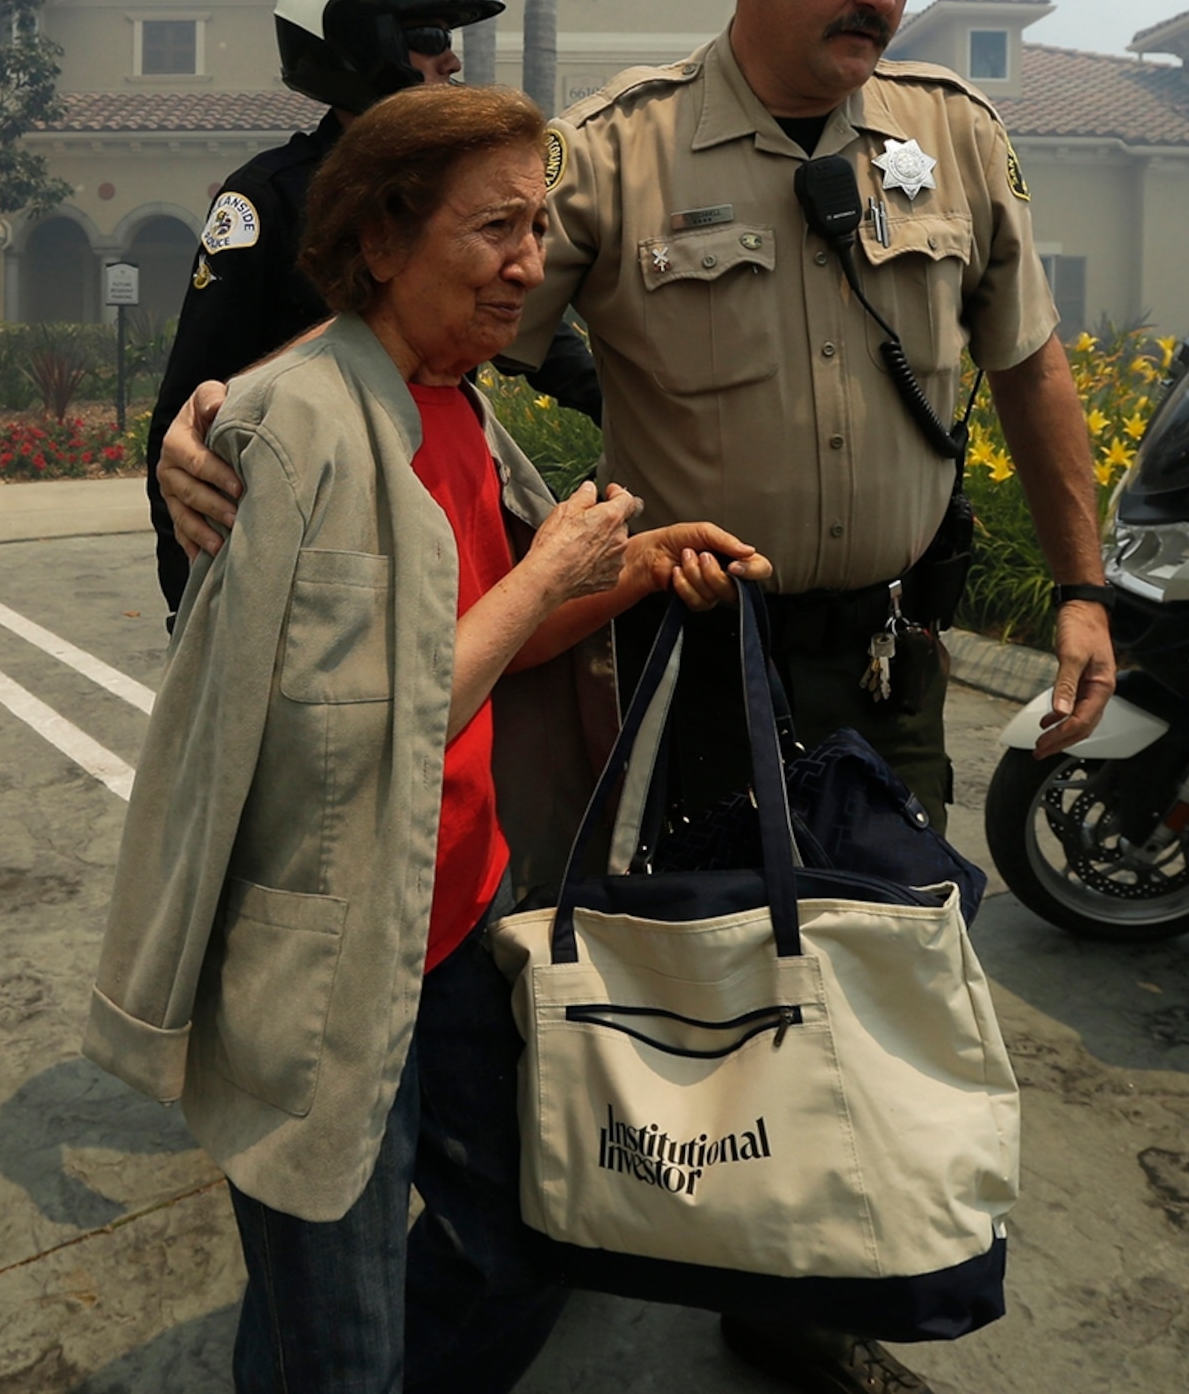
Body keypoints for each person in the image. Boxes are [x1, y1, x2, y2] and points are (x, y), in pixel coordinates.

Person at [160, 0, 1117, 1394]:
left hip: (892, 659)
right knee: (710, 981)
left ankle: (818, 1292)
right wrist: (222, 406)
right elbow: (419, 305)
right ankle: (698, 1234)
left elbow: (1030, 363)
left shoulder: (952, 137)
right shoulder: (617, 154)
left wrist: (1082, 589)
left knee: (885, 975)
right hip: (698, 654)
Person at [87, 84, 766, 1394]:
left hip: (452, 923)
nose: (532, 261)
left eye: (540, 226)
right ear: (388, 239)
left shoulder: (447, 401)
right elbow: (372, 726)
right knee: (339, 1341)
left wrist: (626, 576)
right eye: (498, 228)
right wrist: (554, 558)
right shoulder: (299, 426)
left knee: (531, 1231)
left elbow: (488, 653)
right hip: (333, 966)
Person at [143, 0, 598, 619]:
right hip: (312, 539)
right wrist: (194, 596)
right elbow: (194, 402)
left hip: (426, 517)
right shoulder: (269, 197)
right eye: (424, 33)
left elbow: (529, 335)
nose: (450, 56)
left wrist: (625, 403)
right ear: (358, 45)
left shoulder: (457, 184)